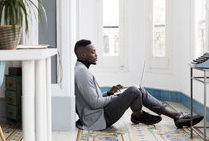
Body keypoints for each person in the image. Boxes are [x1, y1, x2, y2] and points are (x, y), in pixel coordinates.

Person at [74, 39, 204, 130]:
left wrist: (109, 93)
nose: (96, 55)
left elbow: (93, 99)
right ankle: (138, 115)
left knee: (138, 89)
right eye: (93, 52)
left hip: (99, 114)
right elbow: (95, 103)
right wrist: (118, 96)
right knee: (134, 91)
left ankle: (176, 116)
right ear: (83, 54)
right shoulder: (82, 73)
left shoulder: (82, 70)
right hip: (98, 119)